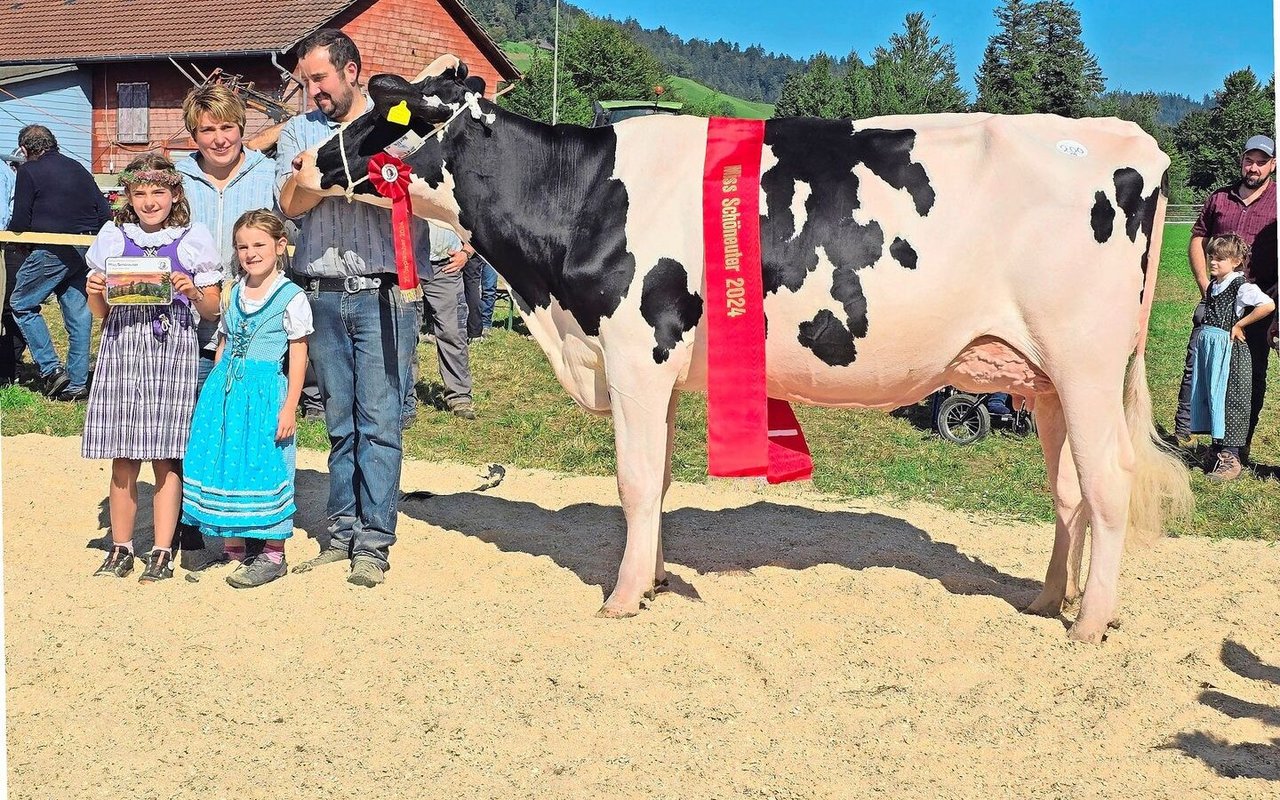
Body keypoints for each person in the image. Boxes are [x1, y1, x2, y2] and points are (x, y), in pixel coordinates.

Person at [276, 29, 432, 587]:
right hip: (321, 293)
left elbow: (422, 192)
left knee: (381, 421)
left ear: (351, 71)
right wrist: (327, 173)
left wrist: (319, 172)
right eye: (305, 82)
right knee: (339, 422)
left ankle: (374, 541)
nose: (312, 91)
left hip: (386, 292)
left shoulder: (400, 125)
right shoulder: (298, 130)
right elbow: (289, 201)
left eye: (319, 79)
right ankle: (340, 530)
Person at [82, 154, 224, 581]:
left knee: (166, 454)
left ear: (174, 193)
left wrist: (193, 291)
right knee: (123, 454)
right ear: (127, 196)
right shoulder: (112, 235)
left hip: (172, 346)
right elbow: (102, 313)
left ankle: (162, 550)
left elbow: (215, 309)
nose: (149, 201)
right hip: (122, 344)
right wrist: (95, 290)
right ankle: (121, 547)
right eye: (140, 193)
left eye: (158, 191)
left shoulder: (193, 237)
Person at [175, 82, 279, 566]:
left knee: (246, 427)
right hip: (183, 324)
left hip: (249, 329)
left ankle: (253, 521)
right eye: (207, 130)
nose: (219, 138)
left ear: (243, 128)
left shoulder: (270, 175)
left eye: (228, 127)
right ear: (193, 134)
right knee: (186, 425)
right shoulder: (177, 180)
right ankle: (187, 519)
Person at [181, 210, 311, 588]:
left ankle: (273, 553)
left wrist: (290, 406)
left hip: (265, 390)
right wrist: (217, 390)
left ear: (279, 246)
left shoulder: (291, 296)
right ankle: (235, 549)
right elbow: (222, 342)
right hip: (226, 389)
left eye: (259, 245)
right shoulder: (234, 291)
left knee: (266, 461)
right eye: (243, 246)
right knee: (225, 459)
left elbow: (298, 354)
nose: (250, 253)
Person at [1175, 134, 1277, 461]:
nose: (1254, 167)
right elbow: (1198, 237)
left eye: (1262, 162)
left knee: (1248, 375)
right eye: (1250, 160)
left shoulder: (1278, 201)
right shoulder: (1220, 198)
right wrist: (1205, 283)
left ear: (1272, 165)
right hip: (1216, 300)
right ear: (1242, 161)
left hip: (1257, 303)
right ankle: (1214, 440)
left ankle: (1235, 449)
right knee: (1206, 368)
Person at [7, 125, 109, 400]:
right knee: (78, 316)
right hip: (86, 247)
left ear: (26, 151)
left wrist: (17, 239)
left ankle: (51, 370)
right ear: (54, 144)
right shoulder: (77, 167)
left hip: (53, 248)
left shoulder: (28, 171)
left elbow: (19, 220)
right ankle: (76, 385)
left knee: (21, 303)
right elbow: (104, 212)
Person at [1187, 234, 1275, 481]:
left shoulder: (1241, 286)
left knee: (1230, 399)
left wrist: (1240, 324)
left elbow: (1267, 305)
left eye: (1220, 258)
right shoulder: (1215, 285)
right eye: (1211, 257)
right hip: (1211, 352)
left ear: (1236, 261)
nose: (1213, 262)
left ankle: (1231, 456)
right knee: (1212, 397)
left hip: (1230, 354)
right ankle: (1216, 451)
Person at [403, 221, 474, 427]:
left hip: (446, 266)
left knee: (453, 332)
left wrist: (466, 253)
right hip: (406, 266)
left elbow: (476, 218)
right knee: (405, 333)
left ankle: (460, 397)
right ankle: (406, 399)